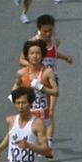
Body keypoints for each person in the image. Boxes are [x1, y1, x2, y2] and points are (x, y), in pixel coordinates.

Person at [18, 15, 73, 147]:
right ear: (39, 29)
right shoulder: (32, 43)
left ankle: (48, 142)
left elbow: (53, 54)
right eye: (45, 31)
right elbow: (20, 60)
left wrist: (65, 57)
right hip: (35, 81)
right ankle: (33, 135)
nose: (48, 34)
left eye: (50, 30)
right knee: (34, 111)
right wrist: (32, 64)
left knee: (50, 111)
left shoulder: (55, 42)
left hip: (52, 80)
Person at [0, 87, 52, 162]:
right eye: (18, 103)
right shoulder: (10, 120)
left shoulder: (37, 124)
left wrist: (28, 145)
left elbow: (46, 150)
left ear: (30, 104)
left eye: (24, 103)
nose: (20, 106)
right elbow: (10, 135)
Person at [11, 41, 58, 155]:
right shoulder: (21, 73)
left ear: (42, 55)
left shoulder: (47, 72)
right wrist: (17, 95)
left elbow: (56, 92)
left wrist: (42, 88)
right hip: (28, 113)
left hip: (42, 113)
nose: (35, 56)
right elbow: (14, 89)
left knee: (38, 146)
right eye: (31, 53)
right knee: (28, 148)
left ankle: (47, 147)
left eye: (38, 53)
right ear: (27, 55)